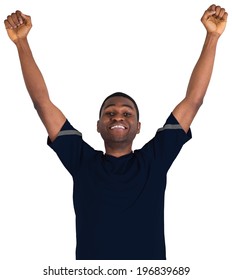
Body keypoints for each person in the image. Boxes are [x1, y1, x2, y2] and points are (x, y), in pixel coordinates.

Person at [4, 4, 228, 260]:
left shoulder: (155, 160)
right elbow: (42, 103)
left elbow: (193, 101)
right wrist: (21, 42)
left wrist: (212, 37)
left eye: (127, 113)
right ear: (99, 125)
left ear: (138, 127)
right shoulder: (81, 160)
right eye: (109, 113)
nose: (118, 116)